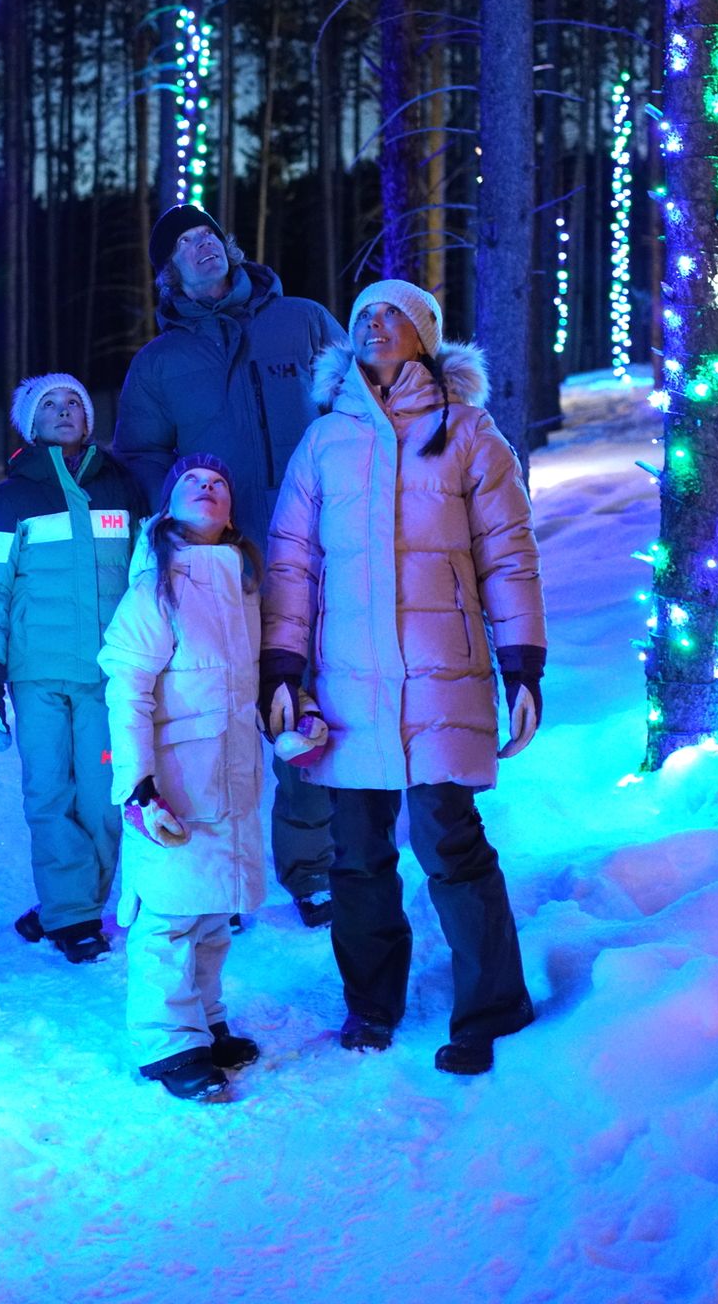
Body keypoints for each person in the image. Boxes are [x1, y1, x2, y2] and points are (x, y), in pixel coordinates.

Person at [260, 279, 547, 1075]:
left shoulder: (469, 433)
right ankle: (371, 1006)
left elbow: (508, 556)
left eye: (392, 315)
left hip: (439, 676)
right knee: (355, 855)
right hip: (348, 685)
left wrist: (521, 663)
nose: (374, 326)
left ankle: (493, 1007)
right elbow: (290, 563)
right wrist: (283, 667)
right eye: (361, 316)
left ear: (425, 333)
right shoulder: (324, 441)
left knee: (448, 843)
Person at [113, 203, 344, 926]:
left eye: (209, 233)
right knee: (217, 720)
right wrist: (186, 516)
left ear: (230, 243)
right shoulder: (160, 363)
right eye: (185, 243)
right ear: (171, 269)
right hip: (221, 567)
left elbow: (358, 400)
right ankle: (221, 869)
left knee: (304, 703)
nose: (202, 246)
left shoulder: (302, 321)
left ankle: (312, 867)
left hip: (314, 545)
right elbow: (142, 455)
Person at [98, 454, 266, 1102]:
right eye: (193, 482)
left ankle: (205, 1020)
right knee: (168, 914)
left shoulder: (246, 587)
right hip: (173, 785)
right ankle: (169, 1043)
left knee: (211, 912)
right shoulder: (154, 588)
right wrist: (137, 785)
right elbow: (128, 689)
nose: (209, 487)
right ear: (168, 509)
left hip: (230, 776)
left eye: (221, 483)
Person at [0, 373, 145, 965]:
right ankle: (73, 915)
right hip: (36, 674)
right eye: (50, 404)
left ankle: (66, 906)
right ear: (29, 421)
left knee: (104, 796)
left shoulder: (121, 485)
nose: (65, 411)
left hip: (107, 675)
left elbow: (147, 580)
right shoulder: (9, 499)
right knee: (49, 793)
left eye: (75, 402)